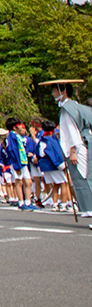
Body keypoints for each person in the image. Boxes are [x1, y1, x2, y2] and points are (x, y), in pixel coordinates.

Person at [42, 79, 92, 220]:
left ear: (62, 91)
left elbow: (72, 132)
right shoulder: (77, 106)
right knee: (83, 177)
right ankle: (87, 208)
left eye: (54, 90)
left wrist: (73, 151)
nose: (53, 93)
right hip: (85, 143)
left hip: (78, 146)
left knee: (83, 177)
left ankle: (90, 207)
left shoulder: (67, 109)